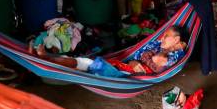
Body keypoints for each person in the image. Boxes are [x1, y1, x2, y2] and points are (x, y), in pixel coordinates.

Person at [30, 26, 187, 76]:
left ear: (176, 40)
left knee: (86, 64)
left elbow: (157, 61)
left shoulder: (175, 53)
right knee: (85, 64)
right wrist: (135, 60)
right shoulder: (161, 45)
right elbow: (141, 55)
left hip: (126, 75)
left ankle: (46, 58)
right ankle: (45, 58)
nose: (162, 38)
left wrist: (167, 48)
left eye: (167, 36)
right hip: (126, 67)